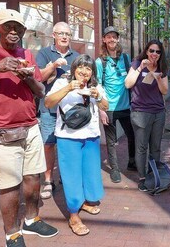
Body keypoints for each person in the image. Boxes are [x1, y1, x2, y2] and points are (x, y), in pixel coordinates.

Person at [0, 8, 58, 247]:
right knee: (8, 185)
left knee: (33, 177)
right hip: (0, 129)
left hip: (30, 126)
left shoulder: (27, 53)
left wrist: (27, 76)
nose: (14, 31)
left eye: (18, 27)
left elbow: (40, 91)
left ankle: (31, 219)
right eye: (8, 26)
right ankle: (12, 233)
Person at [45, 54, 108, 236]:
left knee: (90, 172)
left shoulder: (95, 86)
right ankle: (73, 214)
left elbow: (105, 105)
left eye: (88, 68)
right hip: (68, 137)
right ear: (74, 69)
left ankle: (86, 202)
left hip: (90, 136)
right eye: (81, 67)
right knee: (71, 175)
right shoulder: (61, 82)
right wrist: (68, 88)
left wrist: (98, 96)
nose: (84, 71)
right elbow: (48, 102)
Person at [36, 21, 79, 199]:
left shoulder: (76, 56)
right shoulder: (44, 53)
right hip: (49, 108)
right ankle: (47, 180)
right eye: (60, 33)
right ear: (53, 35)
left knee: (67, 145)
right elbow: (38, 78)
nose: (64, 37)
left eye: (67, 34)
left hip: (69, 109)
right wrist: (53, 66)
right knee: (48, 144)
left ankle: (65, 177)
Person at [125, 40, 169, 191]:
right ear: (146, 50)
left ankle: (153, 174)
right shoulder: (137, 63)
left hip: (158, 112)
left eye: (158, 52)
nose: (154, 54)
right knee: (141, 147)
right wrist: (141, 68)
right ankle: (143, 178)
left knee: (155, 147)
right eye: (152, 50)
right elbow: (128, 84)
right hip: (140, 112)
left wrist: (157, 77)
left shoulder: (162, 67)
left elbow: (164, 91)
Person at [95, 26, 136, 183]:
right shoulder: (100, 62)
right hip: (109, 108)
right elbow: (97, 85)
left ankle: (132, 162)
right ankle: (115, 169)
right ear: (104, 40)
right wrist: (101, 109)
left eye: (114, 37)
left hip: (125, 107)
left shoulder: (125, 59)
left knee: (132, 135)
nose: (112, 39)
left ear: (118, 39)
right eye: (108, 37)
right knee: (111, 142)